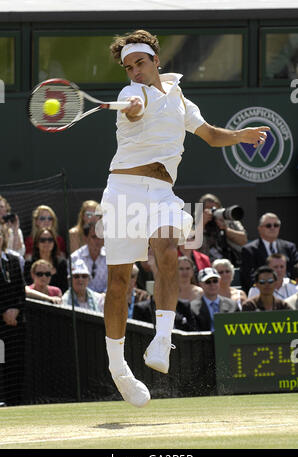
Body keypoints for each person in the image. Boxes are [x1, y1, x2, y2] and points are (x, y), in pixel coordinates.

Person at [100, 29, 270, 408]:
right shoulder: (130, 93)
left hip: (161, 193)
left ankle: (162, 338)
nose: (135, 72)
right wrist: (133, 106)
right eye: (128, 67)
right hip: (123, 191)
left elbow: (209, 134)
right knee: (118, 282)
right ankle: (118, 368)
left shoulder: (179, 99)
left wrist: (239, 135)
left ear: (156, 59)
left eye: (140, 63)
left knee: (167, 248)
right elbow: (136, 104)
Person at [0, 224, 26, 405]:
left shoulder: (13, 260)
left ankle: (14, 403)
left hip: (15, 324)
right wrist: (3, 312)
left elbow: (20, 291)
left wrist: (15, 310)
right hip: (1, 321)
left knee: (14, 365)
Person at [240, 212, 298, 293]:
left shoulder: (289, 247)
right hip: (263, 291)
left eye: (276, 225)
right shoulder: (249, 250)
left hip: (288, 290)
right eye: (268, 225)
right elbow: (248, 277)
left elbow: (295, 270)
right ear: (260, 228)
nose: (272, 228)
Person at [198, 193, 247, 266]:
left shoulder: (229, 221)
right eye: (208, 208)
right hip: (207, 265)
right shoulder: (195, 223)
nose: (212, 211)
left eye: (215, 208)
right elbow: (191, 246)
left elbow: (243, 240)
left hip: (231, 264)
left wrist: (226, 229)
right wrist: (202, 224)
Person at [190, 267, 240, 331]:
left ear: (219, 282)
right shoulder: (193, 307)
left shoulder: (232, 305)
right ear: (201, 284)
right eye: (208, 282)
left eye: (215, 281)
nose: (212, 284)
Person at [24, 227, 68, 293]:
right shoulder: (29, 263)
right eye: (42, 240)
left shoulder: (61, 263)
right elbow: (27, 286)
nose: (46, 242)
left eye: (50, 240)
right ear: (37, 243)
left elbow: (64, 288)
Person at [71, 222, 107, 294]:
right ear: (85, 238)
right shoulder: (75, 258)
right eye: (94, 237)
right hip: (82, 299)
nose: (98, 241)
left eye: (100, 237)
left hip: (106, 299)